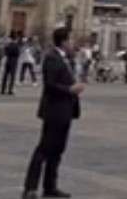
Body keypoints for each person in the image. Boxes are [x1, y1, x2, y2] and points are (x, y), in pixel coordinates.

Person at [21, 26, 83, 199]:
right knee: (44, 149)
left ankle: (50, 186)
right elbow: (50, 84)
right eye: (70, 40)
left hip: (65, 111)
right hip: (54, 110)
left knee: (57, 150)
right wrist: (70, 89)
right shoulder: (52, 58)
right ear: (63, 41)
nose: (73, 43)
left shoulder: (65, 58)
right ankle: (30, 188)